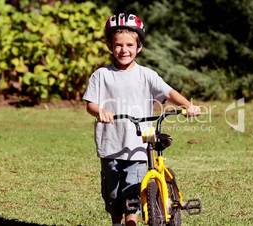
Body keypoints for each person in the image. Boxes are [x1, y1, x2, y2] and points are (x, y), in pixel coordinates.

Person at [82, 13, 200, 226]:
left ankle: (132, 220)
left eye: (129, 44)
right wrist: (99, 111)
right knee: (113, 196)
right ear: (110, 46)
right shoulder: (101, 75)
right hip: (110, 146)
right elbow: (90, 104)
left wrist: (188, 106)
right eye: (118, 45)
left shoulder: (147, 75)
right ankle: (117, 220)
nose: (124, 50)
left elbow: (169, 92)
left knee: (133, 196)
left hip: (138, 145)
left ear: (139, 47)